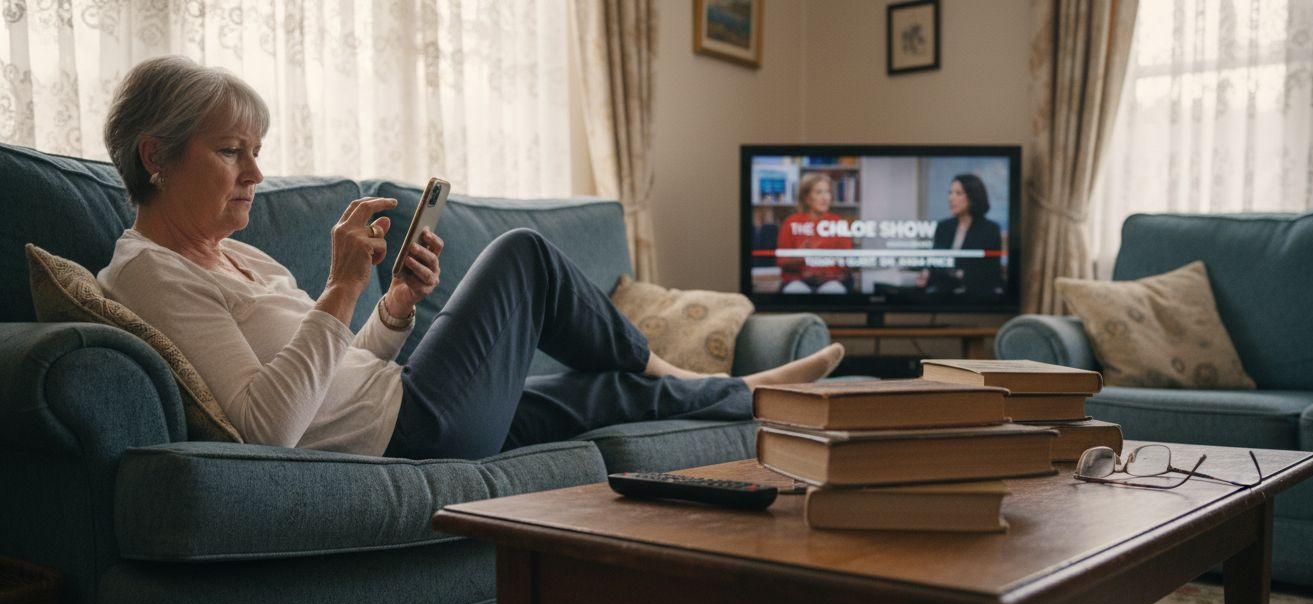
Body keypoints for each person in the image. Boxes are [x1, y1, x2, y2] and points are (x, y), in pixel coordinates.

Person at [97, 56, 843, 460]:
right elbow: (268, 430)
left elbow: (338, 375)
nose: (255, 175)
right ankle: (682, 369)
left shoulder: (245, 261)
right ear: (155, 156)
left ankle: (756, 393)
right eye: (232, 153)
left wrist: (390, 312)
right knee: (523, 258)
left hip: (403, 398)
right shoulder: (148, 272)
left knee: (599, 392)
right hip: (413, 427)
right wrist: (343, 286)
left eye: (256, 154)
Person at [774, 172, 853, 294]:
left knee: (832, 290)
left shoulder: (838, 222)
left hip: (831, 280)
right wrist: (800, 257)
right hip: (797, 280)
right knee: (796, 290)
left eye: (827, 192)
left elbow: (847, 263)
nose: (825, 197)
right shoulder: (791, 223)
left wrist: (825, 272)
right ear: (807, 198)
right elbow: (782, 262)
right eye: (818, 192)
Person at [927, 173, 1004, 298]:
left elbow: (990, 274)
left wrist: (956, 274)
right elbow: (935, 264)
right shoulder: (943, 227)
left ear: (973, 196)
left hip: (977, 297)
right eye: (950, 193)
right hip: (943, 294)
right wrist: (926, 273)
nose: (951, 198)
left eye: (958, 193)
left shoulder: (990, 229)